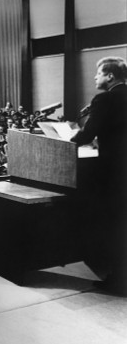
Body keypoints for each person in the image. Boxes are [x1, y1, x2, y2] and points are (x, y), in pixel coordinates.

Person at [70, 56, 127, 296]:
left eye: (98, 73)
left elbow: (88, 133)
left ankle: (117, 280)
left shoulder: (104, 99)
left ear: (110, 76)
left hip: (114, 172)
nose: (95, 77)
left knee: (114, 224)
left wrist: (69, 138)